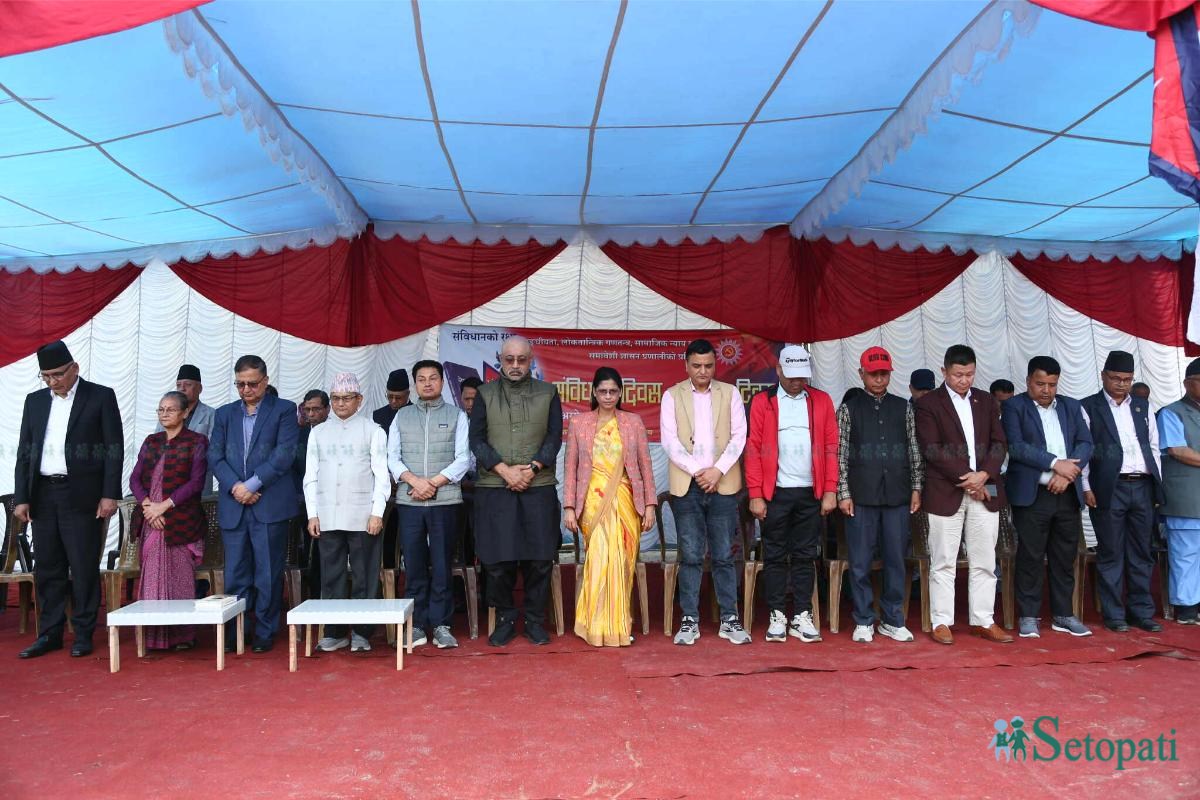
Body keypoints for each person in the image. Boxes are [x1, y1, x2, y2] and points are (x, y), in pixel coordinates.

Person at [14, 340, 123, 659]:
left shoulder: (100, 396)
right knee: (48, 566)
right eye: (46, 376)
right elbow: (25, 451)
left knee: (83, 564)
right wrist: (22, 497)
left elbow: (113, 448)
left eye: (58, 374)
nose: (53, 381)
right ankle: (50, 633)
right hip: (43, 493)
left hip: (82, 494)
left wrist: (109, 494)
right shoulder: (34, 401)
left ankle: (84, 632)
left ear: (74, 368)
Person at [914, 344, 1012, 645]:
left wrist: (984, 475)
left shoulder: (986, 400)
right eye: (958, 374)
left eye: (969, 374)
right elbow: (932, 449)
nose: (964, 380)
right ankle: (941, 621)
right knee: (943, 559)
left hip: (986, 488)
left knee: (985, 559)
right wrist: (970, 478)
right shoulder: (928, 403)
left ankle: (983, 620)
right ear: (944, 371)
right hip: (946, 490)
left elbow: (999, 443)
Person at [469, 336, 563, 646]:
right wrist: (505, 470)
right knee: (498, 560)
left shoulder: (548, 393)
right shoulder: (485, 394)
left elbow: (554, 437)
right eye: (509, 359)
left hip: (539, 486)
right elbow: (476, 440)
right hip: (495, 487)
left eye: (522, 360)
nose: (515, 365)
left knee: (540, 558)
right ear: (500, 359)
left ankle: (535, 620)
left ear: (531, 360)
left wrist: (533, 468)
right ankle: (506, 618)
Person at [662, 339, 750, 645]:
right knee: (691, 555)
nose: (703, 371)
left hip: (723, 484)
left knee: (724, 554)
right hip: (688, 486)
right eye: (697, 366)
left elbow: (739, 437)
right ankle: (689, 620)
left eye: (709, 365)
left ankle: (730, 619)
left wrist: (718, 471)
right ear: (686, 365)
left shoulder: (731, 393)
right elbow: (670, 442)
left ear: (716, 365)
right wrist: (699, 472)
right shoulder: (672, 395)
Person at [209, 354, 299, 653]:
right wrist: (236, 487)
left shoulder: (284, 409)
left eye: (252, 384)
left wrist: (252, 485)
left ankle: (264, 631)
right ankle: (236, 632)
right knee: (236, 573)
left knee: (267, 573)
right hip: (234, 504)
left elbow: (284, 455)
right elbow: (215, 456)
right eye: (240, 384)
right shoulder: (224, 414)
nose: (246, 389)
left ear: (265, 381)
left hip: (269, 503)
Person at [745, 344, 834, 644]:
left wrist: (830, 490)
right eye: (792, 375)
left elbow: (831, 448)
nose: (797, 382)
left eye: (802, 376)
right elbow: (753, 449)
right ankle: (777, 614)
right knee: (774, 555)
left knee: (806, 555)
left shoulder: (821, 400)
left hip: (810, 492)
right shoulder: (763, 401)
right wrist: (756, 493)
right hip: (776, 493)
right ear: (779, 370)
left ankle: (802, 615)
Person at [563, 368, 657, 647]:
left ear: (620, 393)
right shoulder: (579, 423)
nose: (607, 396)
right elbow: (570, 468)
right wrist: (569, 507)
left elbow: (645, 466)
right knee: (600, 560)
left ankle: (619, 623)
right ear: (593, 392)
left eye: (613, 391)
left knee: (621, 563)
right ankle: (594, 624)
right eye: (602, 391)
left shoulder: (633, 422)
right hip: (592, 502)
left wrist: (650, 505)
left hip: (626, 501)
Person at [1002, 356, 1094, 638]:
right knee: (1030, 556)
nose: (1046, 390)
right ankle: (1029, 615)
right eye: (1040, 384)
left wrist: (1067, 474)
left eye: (1052, 385)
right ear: (1028, 380)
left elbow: (1086, 443)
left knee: (1064, 556)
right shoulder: (1013, 407)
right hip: (1033, 495)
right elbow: (1017, 447)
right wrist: (1056, 464)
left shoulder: (1071, 406)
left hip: (1067, 493)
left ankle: (1063, 614)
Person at [836, 346, 923, 643]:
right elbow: (840, 454)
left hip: (897, 495)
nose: (879, 379)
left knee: (896, 560)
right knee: (860, 562)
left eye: (884, 374)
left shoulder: (903, 407)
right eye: (873, 374)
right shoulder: (849, 409)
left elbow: (914, 449)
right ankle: (863, 619)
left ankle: (892, 619)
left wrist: (916, 487)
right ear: (861, 374)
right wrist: (843, 492)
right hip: (860, 497)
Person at [388, 360, 470, 649]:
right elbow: (392, 457)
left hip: (444, 501)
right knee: (413, 564)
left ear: (442, 383)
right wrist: (414, 480)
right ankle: (417, 625)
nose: (427, 383)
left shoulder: (457, 415)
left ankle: (442, 625)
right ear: (415, 384)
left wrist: (431, 483)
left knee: (442, 564)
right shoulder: (401, 416)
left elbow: (463, 458)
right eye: (421, 379)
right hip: (410, 502)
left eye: (432, 378)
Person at [304, 373, 389, 652]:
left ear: (359, 400)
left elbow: (382, 477)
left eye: (347, 398)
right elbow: (310, 476)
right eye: (336, 398)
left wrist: (377, 513)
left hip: (363, 516)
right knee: (331, 576)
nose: (341, 403)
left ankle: (362, 633)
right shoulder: (318, 433)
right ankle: (335, 632)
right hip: (327, 514)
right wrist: (312, 514)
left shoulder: (373, 431)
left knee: (365, 576)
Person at [1081, 350, 1163, 633]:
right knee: (1111, 552)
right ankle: (1114, 614)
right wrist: (1086, 486)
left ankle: (1141, 612)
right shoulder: (1088, 407)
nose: (1121, 384)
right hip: (1109, 487)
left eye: (1127, 379)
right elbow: (1084, 451)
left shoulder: (1142, 406)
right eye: (1115, 378)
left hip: (1142, 486)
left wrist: (1157, 485)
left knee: (1142, 552)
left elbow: (1154, 447)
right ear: (1103, 376)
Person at [129, 391, 209, 650]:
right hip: (151, 519)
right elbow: (135, 479)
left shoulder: (196, 441)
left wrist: (163, 506)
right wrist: (148, 507)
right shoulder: (151, 441)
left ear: (185, 413)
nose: (164, 414)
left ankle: (182, 636)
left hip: (181, 520)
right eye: (161, 409)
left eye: (171, 409)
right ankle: (153, 636)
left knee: (180, 578)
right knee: (152, 574)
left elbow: (196, 483)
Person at [1156, 358, 1200, 624]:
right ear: (1187, 383)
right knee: (1186, 553)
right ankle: (1187, 608)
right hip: (1186, 496)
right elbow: (1177, 450)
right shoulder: (1172, 413)